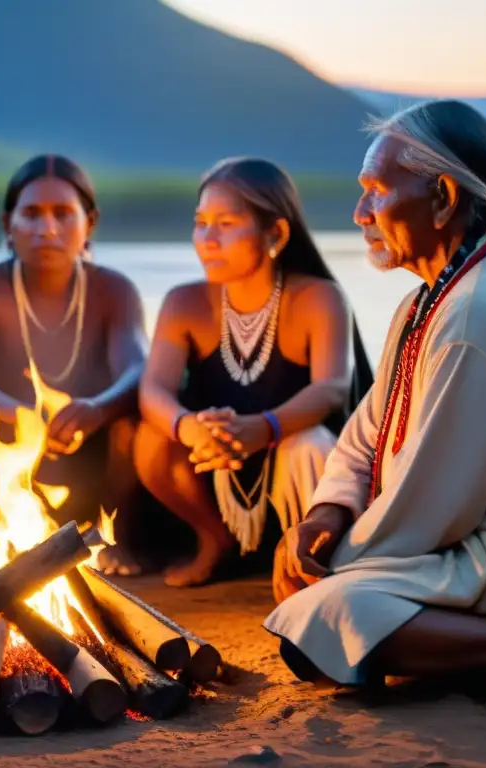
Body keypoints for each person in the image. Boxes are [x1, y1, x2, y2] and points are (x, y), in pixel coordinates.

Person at [265, 100, 486, 710]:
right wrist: (327, 516)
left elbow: (437, 501)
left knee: (325, 613)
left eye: (375, 191)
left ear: (443, 198)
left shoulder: (481, 310)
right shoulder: (431, 299)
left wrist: (333, 565)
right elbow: (365, 435)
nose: (360, 212)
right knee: (318, 619)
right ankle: (477, 652)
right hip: (458, 541)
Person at [135, 158, 374, 588]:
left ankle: (312, 562)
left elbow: (333, 388)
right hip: (212, 471)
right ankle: (214, 541)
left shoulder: (318, 297)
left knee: (310, 443)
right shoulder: (183, 302)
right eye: (201, 222)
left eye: (225, 223)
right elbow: (153, 389)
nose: (207, 239)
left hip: (293, 473)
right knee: (153, 435)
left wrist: (263, 428)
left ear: (276, 234)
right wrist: (190, 427)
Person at [0, 155, 147, 573]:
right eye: (32, 214)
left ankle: (112, 537)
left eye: (63, 214)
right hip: (7, 451)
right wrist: (20, 415)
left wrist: (96, 409)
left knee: (132, 425)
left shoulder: (115, 290)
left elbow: (137, 369)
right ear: (8, 223)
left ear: (89, 223)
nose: (47, 229)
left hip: (88, 448)